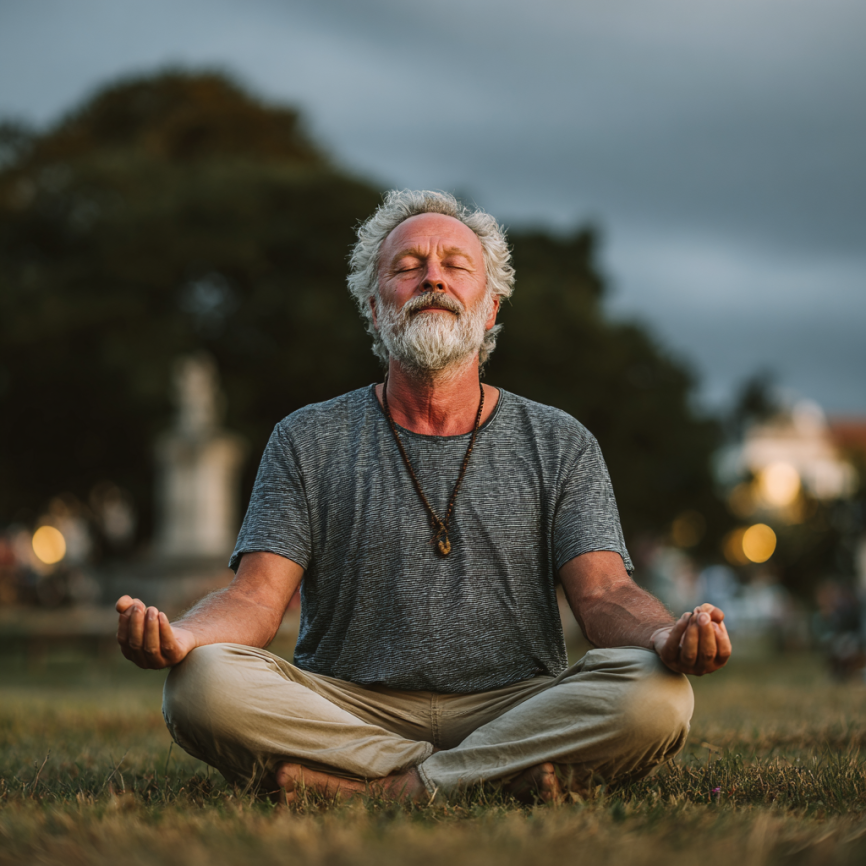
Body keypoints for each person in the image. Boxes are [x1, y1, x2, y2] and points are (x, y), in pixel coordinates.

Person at [116, 190, 731, 805]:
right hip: (346, 706)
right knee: (199, 684)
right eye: (408, 266)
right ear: (374, 307)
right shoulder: (307, 437)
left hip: (517, 704)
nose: (432, 278)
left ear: (490, 308)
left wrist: (662, 636)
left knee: (658, 693)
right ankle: (485, 778)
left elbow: (603, 594)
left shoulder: (559, 440)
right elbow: (255, 597)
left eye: (455, 266)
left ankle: (379, 790)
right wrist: (185, 635)